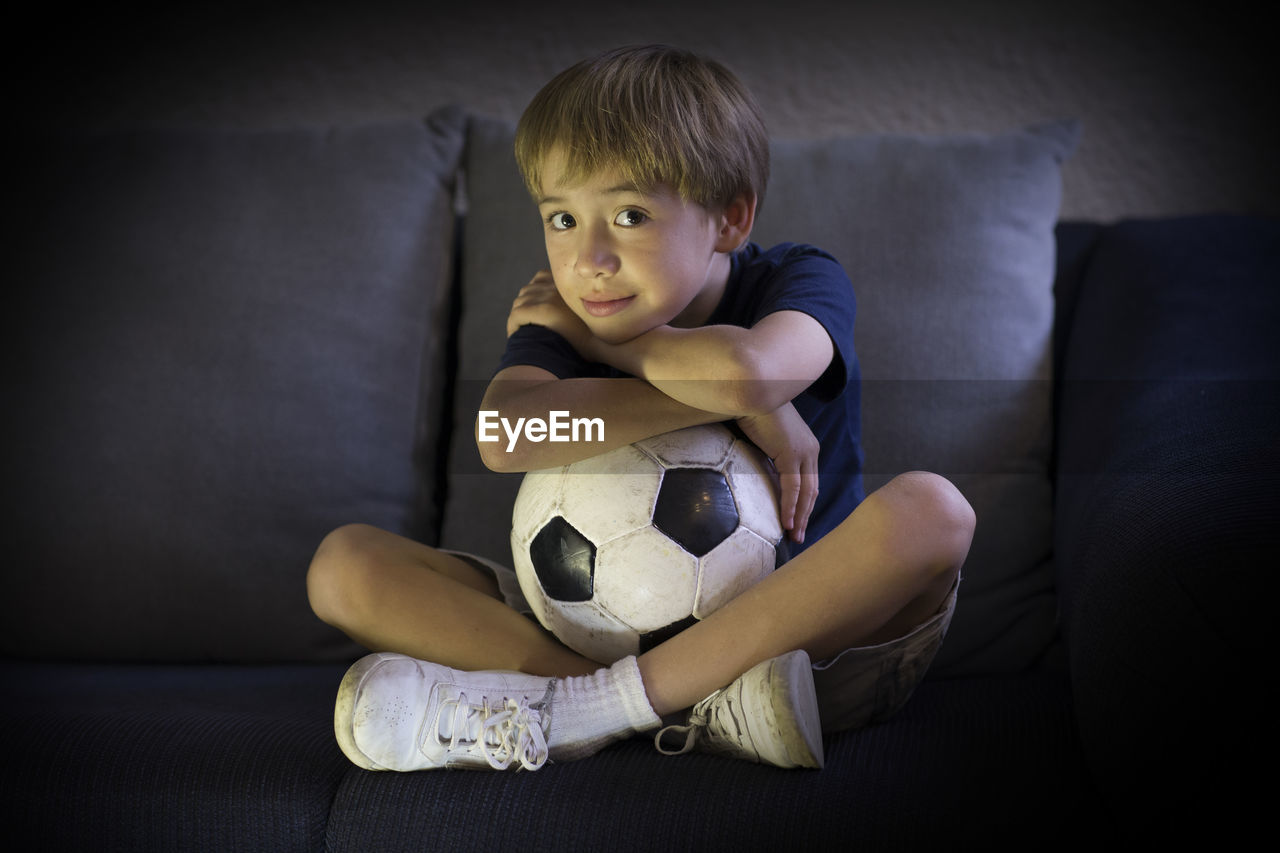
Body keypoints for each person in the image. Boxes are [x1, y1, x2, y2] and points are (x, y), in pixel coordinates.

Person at [306, 44, 975, 773]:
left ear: (729, 218)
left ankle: (578, 711)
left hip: (796, 639)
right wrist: (726, 402)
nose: (589, 258)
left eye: (628, 214)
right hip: (591, 632)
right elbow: (504, 434)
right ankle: (622, 706)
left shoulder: (799, 279)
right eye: (561, 218)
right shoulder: (561, 310)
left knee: (933, 511)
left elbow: (750, 374)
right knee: (342, 568)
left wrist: (622, 349)